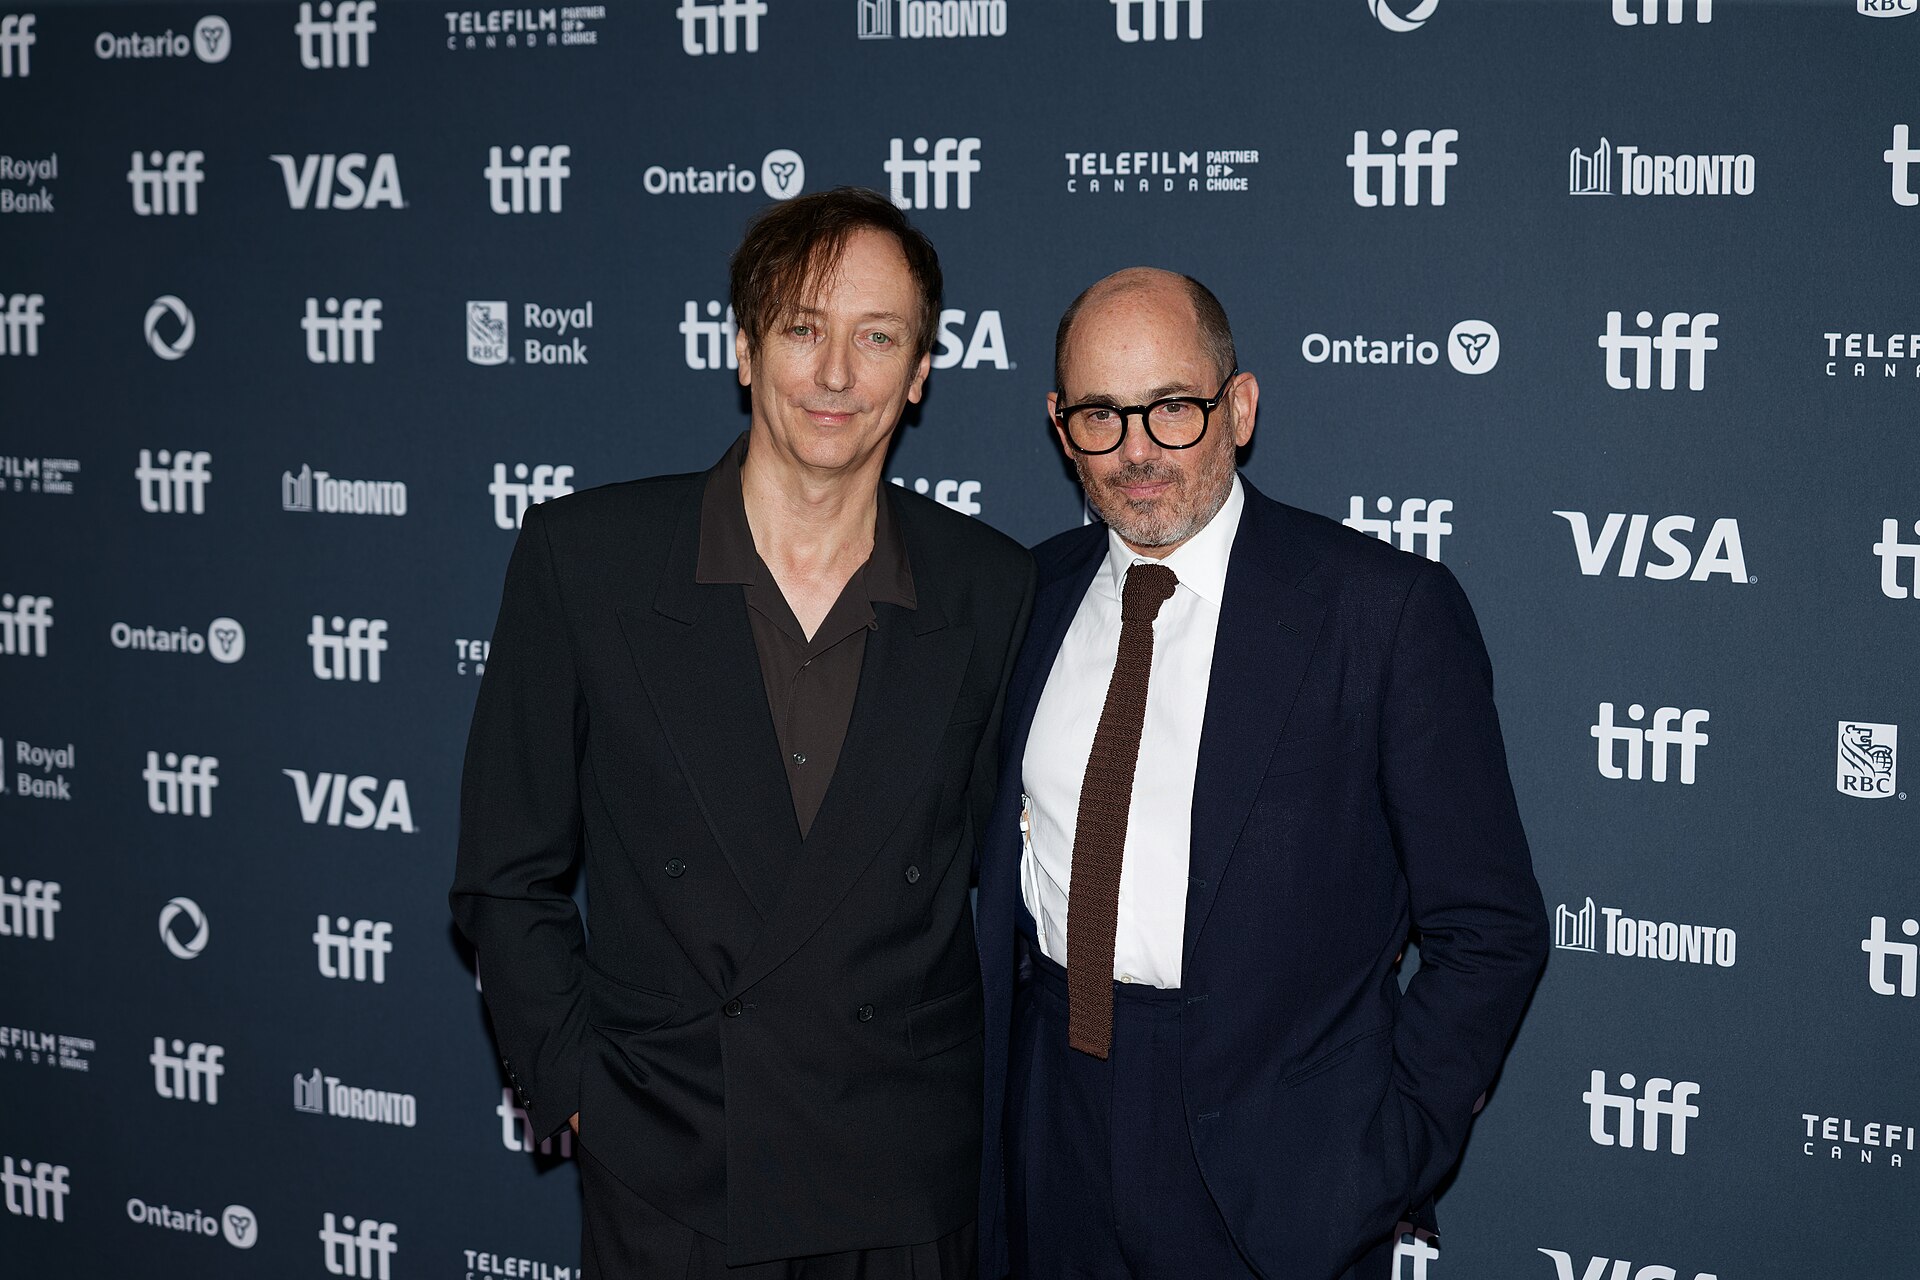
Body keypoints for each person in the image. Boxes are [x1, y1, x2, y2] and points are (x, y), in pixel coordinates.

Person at [452, 186, 1033, 1280]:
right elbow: (505, 866)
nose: (835, 374)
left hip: (903, 1178)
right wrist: (575, 1087)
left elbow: (1012, 887)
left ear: (920, 373)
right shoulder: (588, 559)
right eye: (804, 329)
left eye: (877, 338)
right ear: (743, 348)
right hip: (674, 1165)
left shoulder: (990, 587)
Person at [973, 268, 1549, 1279]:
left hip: (1277, 1169)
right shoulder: (1027, 595)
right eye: (1102, 415)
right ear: (1062, 429)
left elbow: (1489, 927)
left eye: (1173, 407)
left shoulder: (1380, 612)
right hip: (1050, 1125)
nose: (1137, 450)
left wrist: (1379, 1155)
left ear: (1238, 408)